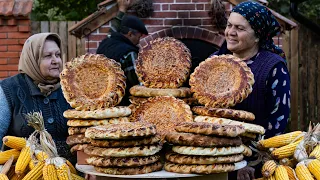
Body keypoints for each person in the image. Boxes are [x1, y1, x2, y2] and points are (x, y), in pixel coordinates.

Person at [211, 1, 291, 180]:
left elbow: (277, 124)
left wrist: (249, 162)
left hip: (256, 169)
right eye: (229, 25)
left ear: (257, 36)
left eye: (239, 28)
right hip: (214, 161)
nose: (230, 32)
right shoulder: (214, 63)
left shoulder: (273, 67)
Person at [0, 33, 73, 162]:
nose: (56, 60)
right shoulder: (9, 89)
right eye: (47, 56)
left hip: (69, 172)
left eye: (57, 54)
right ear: (32, 59)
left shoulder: (71, 88)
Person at [96, 0, 148, 105]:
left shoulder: (106, 42)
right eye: (139, 37)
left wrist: (122, 10)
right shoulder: (129, 53)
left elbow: (114, 28)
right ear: (130, 34)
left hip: (101, 101)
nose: (139, 41)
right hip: (121, 105)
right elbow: (138, 85)